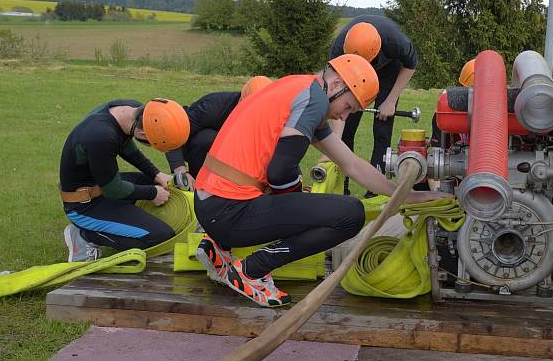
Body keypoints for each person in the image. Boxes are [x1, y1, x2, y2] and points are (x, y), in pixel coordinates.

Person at [192, 54, 448, 307]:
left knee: (310, 200)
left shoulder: (299, 87)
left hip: (210, 204)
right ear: (337, 85)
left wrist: (408, 195)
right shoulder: (313, 100)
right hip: (227, 212)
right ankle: (252, 269)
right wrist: (300, 204)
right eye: (348, 107)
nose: (343, 117)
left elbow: (352, 164)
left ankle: (219, 248)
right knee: (351, 214)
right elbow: (280, 171)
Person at [60, 98, 190, 262]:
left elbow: (128, 149)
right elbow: (113, 189)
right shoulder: (101, 136)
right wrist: (152, 193)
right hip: (84, 205)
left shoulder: (129, 110)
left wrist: (157, 174)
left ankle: (127, 220)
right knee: (161, 237)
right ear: (142, 133)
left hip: (101, 184)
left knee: (158, 184)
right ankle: (84, 235)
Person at [329, 16, 418, 196]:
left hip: (389, 71)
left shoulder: (395, 41)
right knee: (346, 131)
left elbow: (411, 65)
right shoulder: (339, 49)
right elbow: (336, 103)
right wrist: (335, 139)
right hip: (351, 74)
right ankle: (342, 188)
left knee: (382, 131)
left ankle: (374, 192)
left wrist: (391, 100)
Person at [166, 76, 272, 189]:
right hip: (200, 148)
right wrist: (180, 171)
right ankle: (197, 185)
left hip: (233, 153)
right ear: (241, 100)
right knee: (207, 138)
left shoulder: (274, 116)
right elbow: (173, 131)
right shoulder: (211, 107)